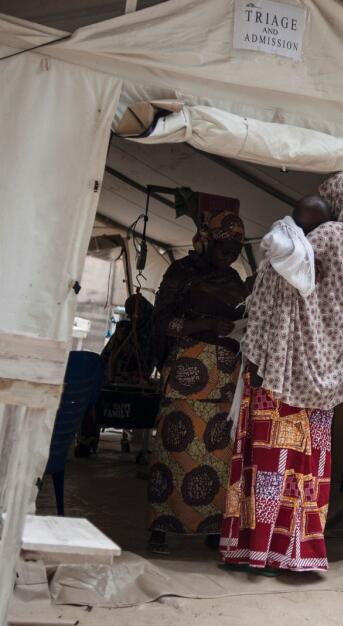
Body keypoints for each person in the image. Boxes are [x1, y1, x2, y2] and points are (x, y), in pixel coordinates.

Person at [220, 171, 343, 574]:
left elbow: (276, 287)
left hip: (285, 372)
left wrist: (256, 354)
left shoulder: (322, 239)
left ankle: (257, 550)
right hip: (325, 385)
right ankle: (298, 553)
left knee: (271, 461)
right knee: (308, 470)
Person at [146, 207, 249, 555]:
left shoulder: (234, 280)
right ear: (207, 243)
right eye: (224, 249)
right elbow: (163, 323)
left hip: (224, 376)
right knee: (176, 452)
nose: (230, 256)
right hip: (188, 373)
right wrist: (205, 327)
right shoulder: (182, 272)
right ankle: (161, 527)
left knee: (219, 457)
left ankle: (212, 527)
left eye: (235, 251)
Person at [74, 293, 156, 458]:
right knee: (91, 398)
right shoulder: (124, 329)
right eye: (130, 312)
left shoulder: (153, 334)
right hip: (111, 377)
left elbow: (149, 360)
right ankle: (86, 441)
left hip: (136, 380)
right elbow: (109, 357)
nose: (134, 316)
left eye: (136, 312)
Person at [258, 195, 333, 297]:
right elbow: (303, 282)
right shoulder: (288, 244)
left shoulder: (280, 232)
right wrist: (309, 263)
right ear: (314, 227)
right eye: (322, 227)